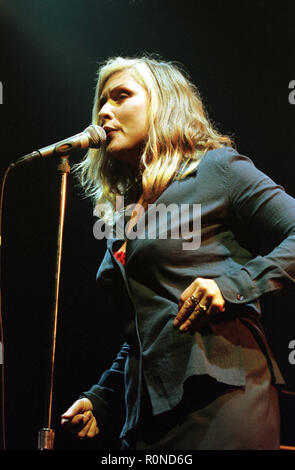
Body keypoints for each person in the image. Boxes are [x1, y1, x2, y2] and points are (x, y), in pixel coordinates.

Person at [61, 55, 295, 450]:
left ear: (164, 104)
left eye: (121, 96)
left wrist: (234, 285)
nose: (104, 111)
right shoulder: (120, 213)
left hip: (222, 398)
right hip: (147, 417)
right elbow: (147, 327)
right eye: (101, 100)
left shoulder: (217, 170)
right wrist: (102, 396)